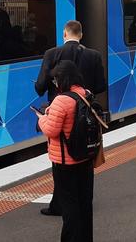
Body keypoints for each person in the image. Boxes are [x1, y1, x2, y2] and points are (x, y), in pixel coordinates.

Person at [35, 20, 106, 217]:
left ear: (64, 34)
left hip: (59, 111)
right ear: (81, 35)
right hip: (85, 115)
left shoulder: (52, 54)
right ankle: (80, 202)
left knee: (61, 159)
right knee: (83, 157)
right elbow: (101, 86)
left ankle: (60, 204)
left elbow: (40, 86)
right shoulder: (94, 55)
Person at [37, 60, 94, 242]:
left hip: (65, 161)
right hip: (85, 158)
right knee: (84, 203)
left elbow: (51, 130)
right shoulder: (85, 94)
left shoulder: (61, 100)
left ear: (62, 79)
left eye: (55, 80)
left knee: (69, 206)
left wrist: (41, 118)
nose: (55, 83)